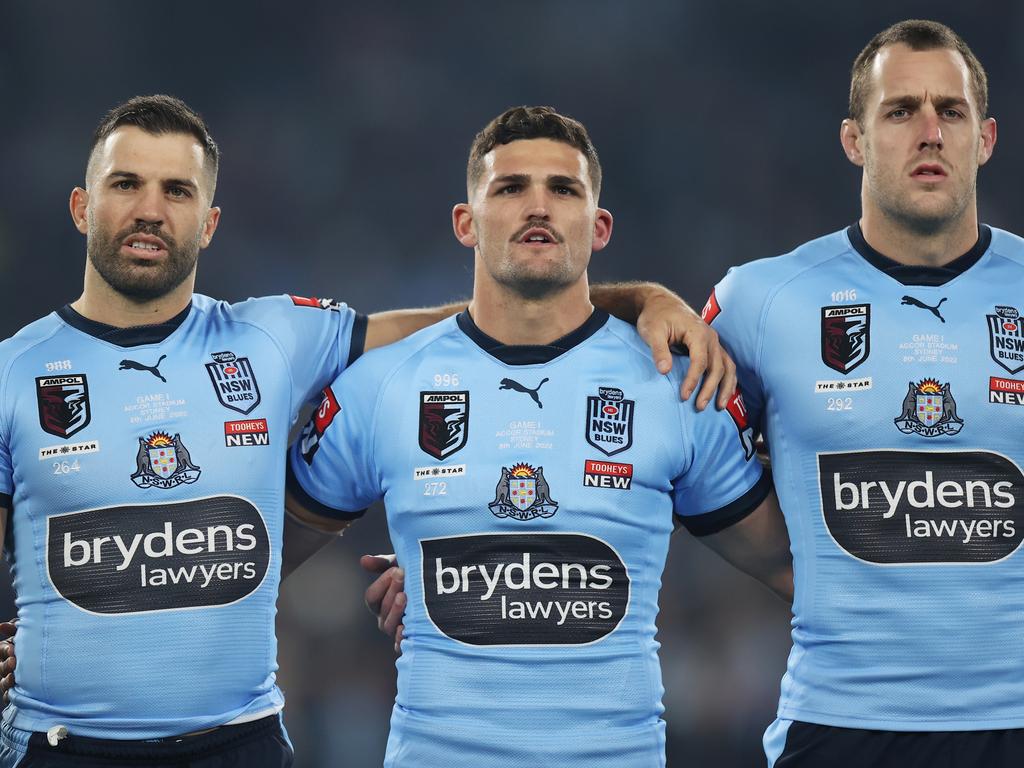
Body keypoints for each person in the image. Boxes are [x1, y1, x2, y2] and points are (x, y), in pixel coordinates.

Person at [0, 95, 730, 767]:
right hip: (60, 745)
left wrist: (639, 299)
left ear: (210, 220)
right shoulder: (11, 373)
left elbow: (495, 315)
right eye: (126, 184)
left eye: (177, 190)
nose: (151, 210)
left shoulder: (278, 336)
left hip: (241, 745)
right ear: (80, 205)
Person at [286, 105, 792, 767]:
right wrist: (450, 579)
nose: (538, 206)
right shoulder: (379, 386)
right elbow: (248, 570)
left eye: (563, 189)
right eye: (509, 188)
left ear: (598, 225)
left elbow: (793, 569)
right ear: (466, 223)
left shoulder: (677, 387)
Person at [703, 19, 1024, 767]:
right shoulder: (759, 301)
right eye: (900, 110)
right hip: (841, 728)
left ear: (985, 139)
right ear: (854, 139)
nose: (929, 133)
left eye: (951, 111)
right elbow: (649, 453)